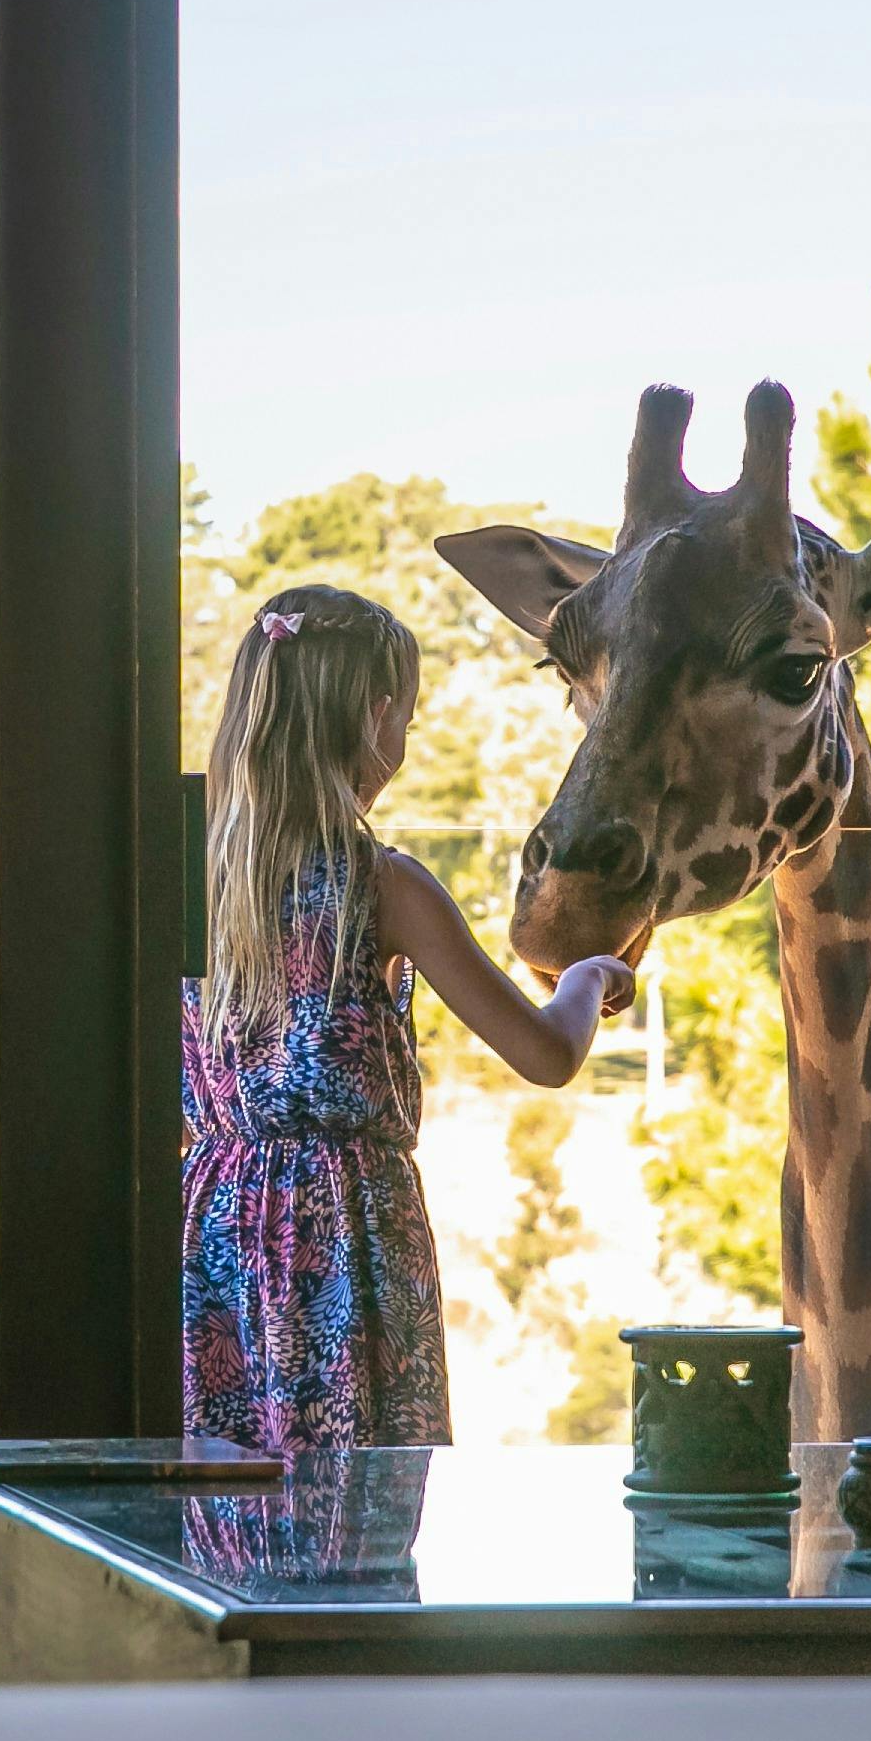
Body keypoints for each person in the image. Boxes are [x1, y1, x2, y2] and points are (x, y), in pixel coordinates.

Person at [184, 584, 636, 1451]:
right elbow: (544, 1054)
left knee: (226, 1501)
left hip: (215, 1234)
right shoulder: (384, 884)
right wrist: (583, 979)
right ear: (377, 716)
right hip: (346, 1233)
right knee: (358, 1511)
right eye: (410, 723)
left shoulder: (188, 879)